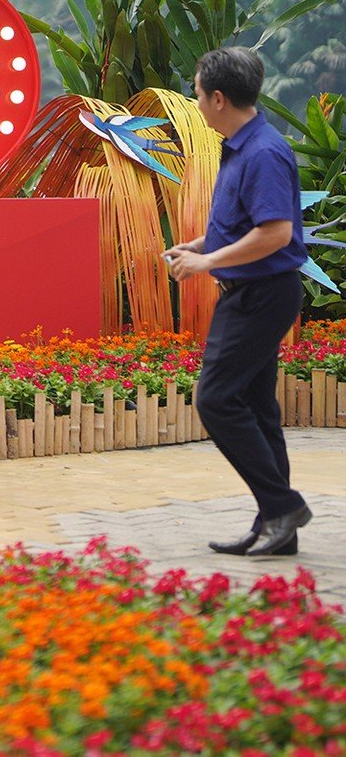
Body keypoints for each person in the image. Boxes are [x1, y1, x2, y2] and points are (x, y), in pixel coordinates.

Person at [163, 46, 311, 558]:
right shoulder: (242, 147)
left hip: (261, 295)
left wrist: (206, 264)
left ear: (219, 98)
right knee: (255, 408)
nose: (196, 101)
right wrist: (200, 248)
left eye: (198, 93)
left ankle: (282, 505)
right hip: (253, 292)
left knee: (216, 400)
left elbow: (275, 233)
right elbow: (244, 226)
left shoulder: (263, 152)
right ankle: (278, 526)